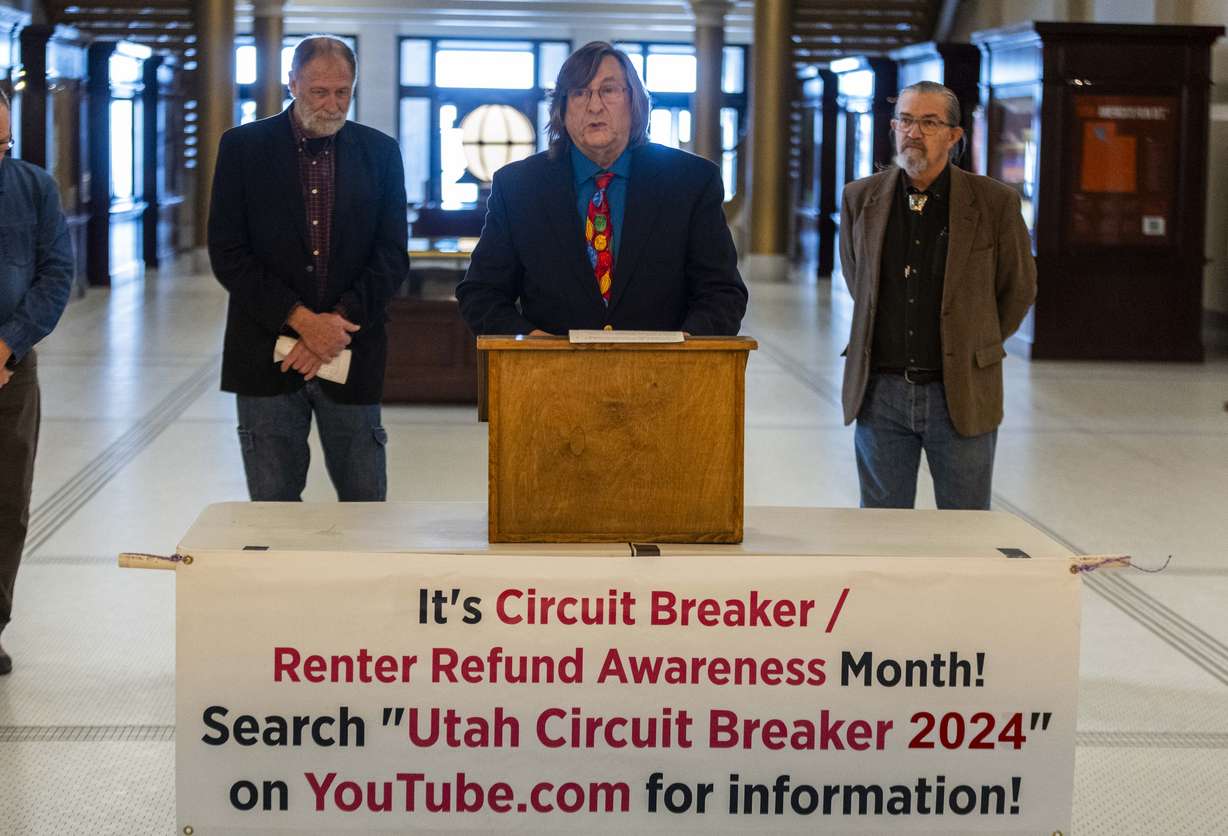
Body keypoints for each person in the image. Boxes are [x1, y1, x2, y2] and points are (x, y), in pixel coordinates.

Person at [208, 35, 408, 502]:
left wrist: (332, 328)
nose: (333, 103)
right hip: (263, 356)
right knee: (274, 509)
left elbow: (392, 254)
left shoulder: (380, 153)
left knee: (365, 505)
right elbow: (229, 252)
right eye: (320, 91)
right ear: (292, 82)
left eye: (343, 92)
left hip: (352, 351)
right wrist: (302, 323)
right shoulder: (243, 148)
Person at [456, 41, 747, 336]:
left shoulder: (691, 182)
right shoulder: (518, 187)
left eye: (608, 90)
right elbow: (481, 294)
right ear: (562, 109)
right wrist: (531, 341)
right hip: (551, 375)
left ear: (635, 102)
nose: (595, 106)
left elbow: (723, 293)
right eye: (580, 93)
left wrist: (687, 345)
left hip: (663, 376)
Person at [839, 80, 1036, 510]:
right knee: (881, 529)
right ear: (893, 126)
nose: (914, 132)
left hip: (960, 391)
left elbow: (1018, 288)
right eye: (906, 120)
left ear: (954, 135)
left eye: (929, 122)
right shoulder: (861, 198)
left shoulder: (994, 203)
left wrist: (975, 341)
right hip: (880, 393)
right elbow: (859, 280)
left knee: (965, 530)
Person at [0, 90, 75, 674]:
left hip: (11, 367)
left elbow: (57, 272)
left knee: (8, 502)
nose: (0, 158)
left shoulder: (33, 187)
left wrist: (8, 344)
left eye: (4, 146)